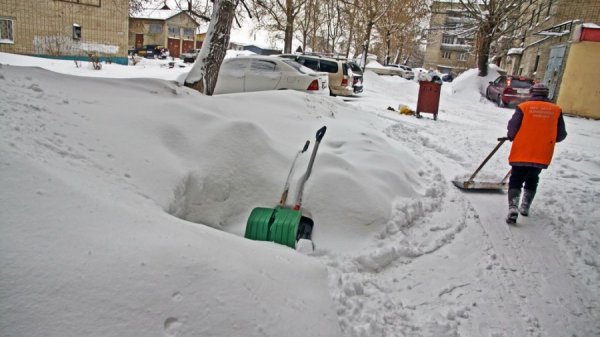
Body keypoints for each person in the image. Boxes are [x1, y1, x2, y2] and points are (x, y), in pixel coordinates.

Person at [505, 83, 567, 224]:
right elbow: (561, 135)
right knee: (533, 178)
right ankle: (525, 206)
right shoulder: (556, 110)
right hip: (542, 152)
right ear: (546, 94)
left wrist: (511, 136)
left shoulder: (524, 107)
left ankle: (513, 207)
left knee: (516, 178)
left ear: (532, 93)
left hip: (522, 150)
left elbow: (513, 127)